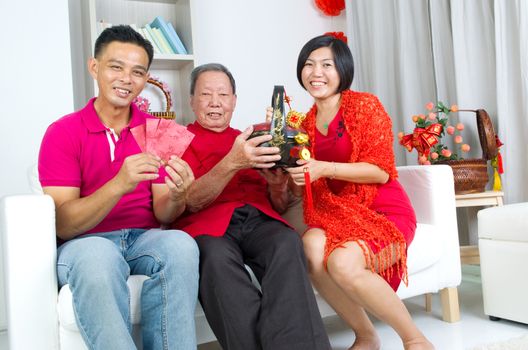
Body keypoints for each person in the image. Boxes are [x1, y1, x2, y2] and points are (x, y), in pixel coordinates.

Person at [38, 25, 199, 350]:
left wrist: (179, 196)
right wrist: (119, 184)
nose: (126, 79)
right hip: (84, 243)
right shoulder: (62, 133)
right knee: (99, 257)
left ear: (145, 79)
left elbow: (162, 210)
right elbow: (65, 224)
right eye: (116, 67)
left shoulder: (159, 130)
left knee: (181, 244)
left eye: (137, 72)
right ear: (94, 67)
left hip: (143, 237)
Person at [285, 34, 435, 350]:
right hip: (339, 214)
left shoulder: (364, 105)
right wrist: (296, 176)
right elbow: (312, 186)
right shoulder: (304, 125)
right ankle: (366, 335)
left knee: (341, 263)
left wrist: (324, 168)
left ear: (342, 69)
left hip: (385, 210)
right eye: (309, 65)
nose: (316, 73)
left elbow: (380, 170)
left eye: (326, 65)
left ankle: (416, 340)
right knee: (310, 250)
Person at [172, 63, 331, 350]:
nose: (215, 102)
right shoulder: (178, 141)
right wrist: (233, 162)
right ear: (192, 100)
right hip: (209, 228)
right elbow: (190, 201)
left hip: (259, 221)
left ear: (234, 101)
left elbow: (279, 204)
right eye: (206, 94)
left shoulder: (253, 138)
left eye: (223, 94)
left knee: (286, 241)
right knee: (214, 259)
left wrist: (277, 186)